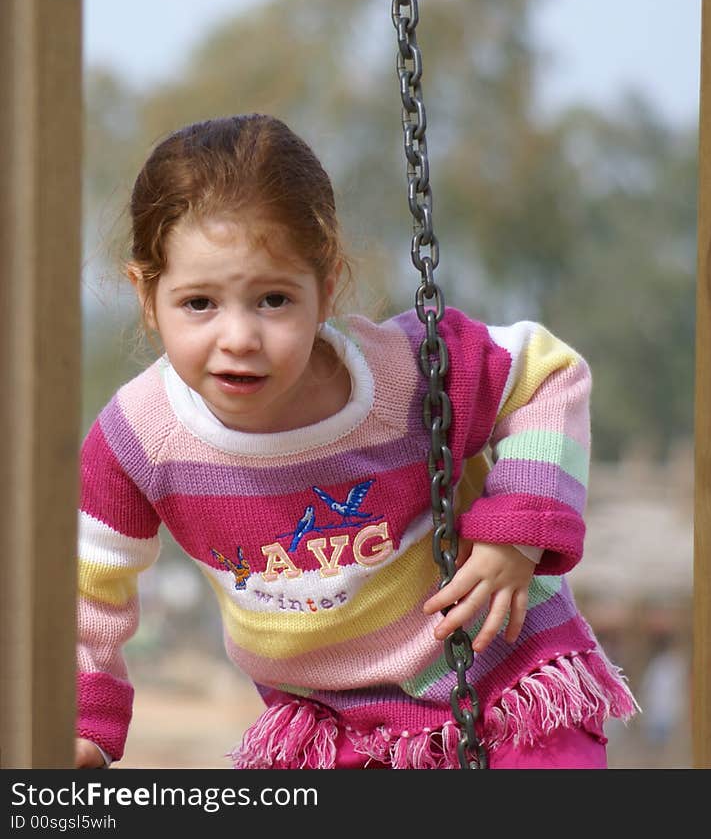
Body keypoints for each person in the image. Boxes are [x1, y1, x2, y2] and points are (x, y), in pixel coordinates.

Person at [75, 113, 637, 770]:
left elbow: (546, 374)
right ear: (147, 295)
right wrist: (86, 721)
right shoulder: (138, 438)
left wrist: (515, 535)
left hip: (497, 678)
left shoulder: (403, 375)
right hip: (330, 720)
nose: (239, 337)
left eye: (274, 300)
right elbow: (92, 584)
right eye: (199, 303)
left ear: (327, 286)